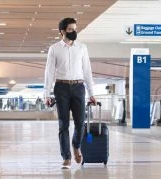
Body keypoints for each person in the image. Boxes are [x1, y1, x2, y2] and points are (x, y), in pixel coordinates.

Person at [44, 17, 97, 169]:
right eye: (70, 29)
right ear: (62, 31)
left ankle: (76, 146)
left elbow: (87, 71)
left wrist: (92, 92)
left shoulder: (82, 48)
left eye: (75, 29)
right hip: (61, 88)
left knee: (80, 123)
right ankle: (66, 157)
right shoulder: (54, 48)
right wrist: (46, 94)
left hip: (79, 87)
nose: (74, 32)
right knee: (63, 124)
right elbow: (49, 71)